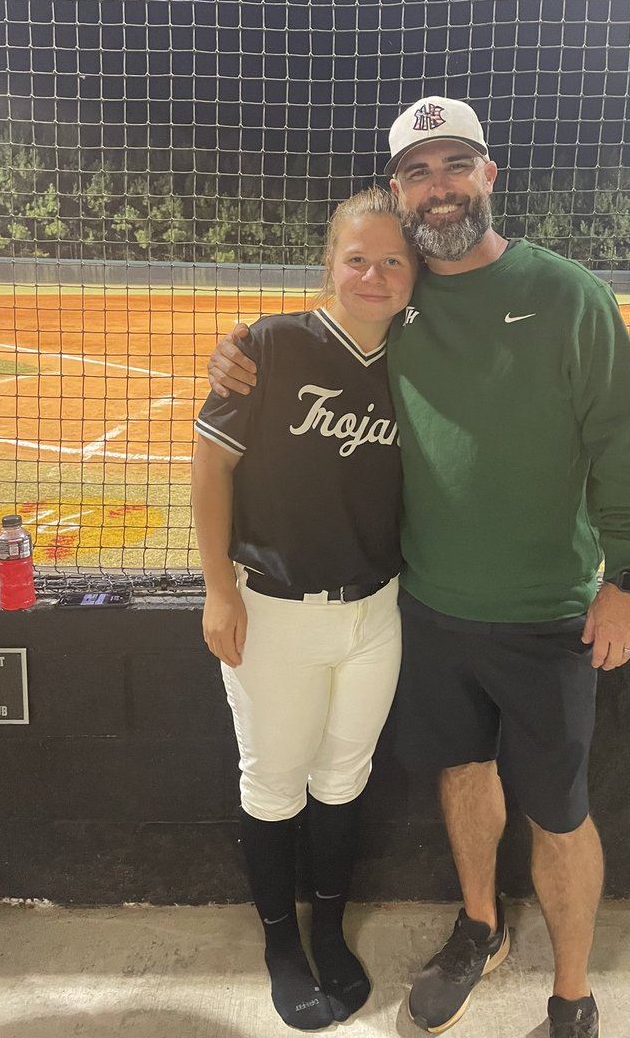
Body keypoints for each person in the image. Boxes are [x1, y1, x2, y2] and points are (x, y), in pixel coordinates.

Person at [207, 97, 630, 1038]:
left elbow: (625, 437)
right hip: (433, 609)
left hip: (549, 612)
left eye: (455, 164)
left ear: (489, 174)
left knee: (560, 810)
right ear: (402, 195)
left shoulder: (569, 292)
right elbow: (314, 349)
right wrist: (237, 353)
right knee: (461, 773)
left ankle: (571, 995)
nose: (439, 185)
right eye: (418, 171)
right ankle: (480, 929)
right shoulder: (400, 306)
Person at [192, 187, 417, 1031]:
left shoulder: (419, 356)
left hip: (377, 613)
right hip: (273, 611)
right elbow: (209, 468)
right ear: (329, 265)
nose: (374, 273)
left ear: (412, 275)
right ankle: (281, 943)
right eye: (357, 257)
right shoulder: (272, 344)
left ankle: (329, 927)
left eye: (393, 260)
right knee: (275, 782)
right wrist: (218, 589)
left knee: (343, 779)